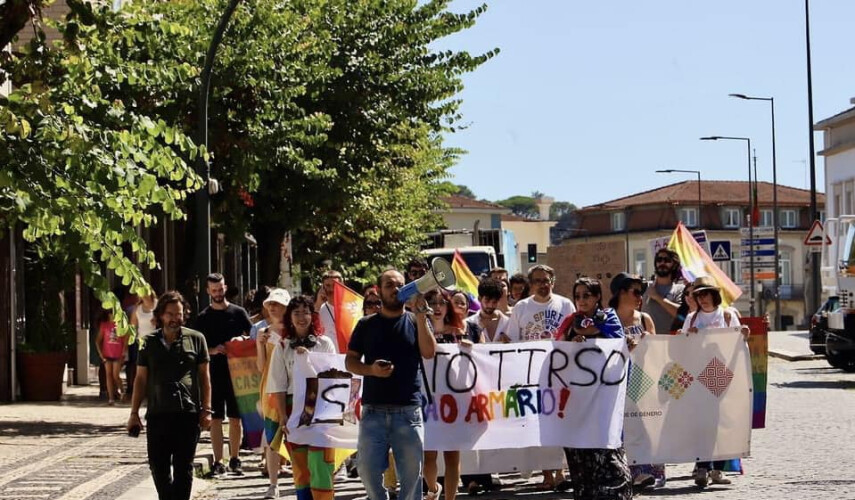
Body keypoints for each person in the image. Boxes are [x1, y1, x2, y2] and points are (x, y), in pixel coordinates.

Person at [345, 269, 437, 500]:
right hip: (373, 412)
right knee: (366, 470)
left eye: (399, 285)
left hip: (407, 411)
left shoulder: (416, 321)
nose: (395, 289)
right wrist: (371, 370)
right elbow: (350, 362)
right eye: (389, 285)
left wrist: (421, 315)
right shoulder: (366, 324)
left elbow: (429, 352)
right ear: (379, 291)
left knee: (411, 477)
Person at [127, 291, 212, 500]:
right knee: (158, 466)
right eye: (170, 314)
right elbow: (140, 379)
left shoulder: (196, 339)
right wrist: (134, 412)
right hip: (158, 413)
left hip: (187, 413)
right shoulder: (148, 342)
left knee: (184, 467)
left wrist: (207, 409)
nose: (175, 318)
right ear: (161, 315)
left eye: (179, 314)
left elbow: (205, 378)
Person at [557, 277, 633, 500]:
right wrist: (572, 343)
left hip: (604, 394)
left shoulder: (608, 317)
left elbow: (618, 344)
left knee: (606, 446)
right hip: (579, 396)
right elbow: (557, 347)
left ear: (598, 297)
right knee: (582, 448)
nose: (581, 300)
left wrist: (593, 336)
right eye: (577, 296)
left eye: (586, 295)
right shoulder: (571, 320)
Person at [506, 265, 573, 491]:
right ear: (530, 284)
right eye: (537, 281)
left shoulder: (565, 304)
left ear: (553, 281)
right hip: (531, 375)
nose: (542, 285)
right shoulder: (521, 307)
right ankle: (546, 473)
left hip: (560, 373)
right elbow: (511, 338)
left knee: (560, 421)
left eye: (546, 280)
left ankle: (560, 471)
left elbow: (573, 337)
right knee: (538, 424)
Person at [681, 276, 749, 488]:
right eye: (699, 295)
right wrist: (688, 337)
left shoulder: (727, 316)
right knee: (702, 423)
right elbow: (680, 347)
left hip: (723, 374)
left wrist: (743, 335)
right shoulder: (692, 318)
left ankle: (718, 468)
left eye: (706, 294)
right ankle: (702, 466)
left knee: (722, 422)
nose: (702, 299)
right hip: (698, 376)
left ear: (714, 295)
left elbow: (737, 345)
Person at [266, 295, 337, 499]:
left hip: (321, 411)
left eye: (305, 312)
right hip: (294, 410)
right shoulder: (282, 347)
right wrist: (283, 416)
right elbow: (278, 386)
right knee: (300, 467)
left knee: (321, 463)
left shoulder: (325, 344)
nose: (301, 317)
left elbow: (333, 378)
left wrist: (309, 360)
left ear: (312, 316)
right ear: (289, 317)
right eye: (296, 313)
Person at [194, 273, 253, 475]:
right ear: (208, 291)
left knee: (236, 417)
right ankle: (218, 461)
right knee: (216, 418)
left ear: (225, 288)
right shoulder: (203, 318)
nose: (218, 293)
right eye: (214, 290)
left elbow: (251, 337)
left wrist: (240, 342)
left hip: (238, 373)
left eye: (220, 289)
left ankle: (235, 458)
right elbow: (196, 348)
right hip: (214, 374)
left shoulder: (239, 313)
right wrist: (213, 350)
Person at [609, 273, 663, 489]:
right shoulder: (607, 317)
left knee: (642, 424)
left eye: (641, 292)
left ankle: (644, 471)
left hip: (641, 379)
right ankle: (623, 471)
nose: (640, 296)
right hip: (616, 380)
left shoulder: (644, 319)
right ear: (621, 292)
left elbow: (657, 350)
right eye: (635, 292)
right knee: (620, 426)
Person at [422, 289, 473, 500]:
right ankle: (433, 490)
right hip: (427, 402)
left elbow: (478, 361)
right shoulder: (418, 331)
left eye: (441, 302)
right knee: (429, 457)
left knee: (452, 457)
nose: (436, 307)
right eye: (431, 302)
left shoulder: (460, 331)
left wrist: (470, 348)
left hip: (454, 402)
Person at [256, 289, 291, 494]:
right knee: (272, 438)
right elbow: (261, 367)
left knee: (295, 434)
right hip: (270, 389)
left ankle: (300, 479)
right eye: (271, 305)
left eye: (277, 304)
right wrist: (260, 345)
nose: (273, 308)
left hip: (292, 389)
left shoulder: (293, 331)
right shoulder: (264, 332)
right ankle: (273, 484)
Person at [642, 248, 685, 335]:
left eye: (667, 260)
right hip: (647, 341)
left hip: (670, 342)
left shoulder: (680, 289)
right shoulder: (645, 287)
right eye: (659, 260)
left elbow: (680, 315)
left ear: (674, 264)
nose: (662, 263)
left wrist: (657, 297)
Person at [465, 278, 510, 344]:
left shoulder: (508, 323)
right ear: (479, 299)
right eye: (487, 300)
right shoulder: (469, 323)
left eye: (494, 302)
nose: (491, 305)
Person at [95, 309, 126, 405]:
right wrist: (101, 354)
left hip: (117, 354)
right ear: (108, 315)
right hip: (107, 354)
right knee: (108, 375)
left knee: (115, 375)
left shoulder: (121, 325)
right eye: (112, 313)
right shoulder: (104, 325)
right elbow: (98, 340)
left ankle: (122, 391)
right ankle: (111, 398)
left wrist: (124, 353)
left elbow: (125, 341)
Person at [315, 270, 343, 353]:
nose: (331, 289)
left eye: (335, 285)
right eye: (328, 285)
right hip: (328, 358)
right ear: (322, 287)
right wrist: (318, 304)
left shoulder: (351, 308)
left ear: (341, 285)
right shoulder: (318, 309)